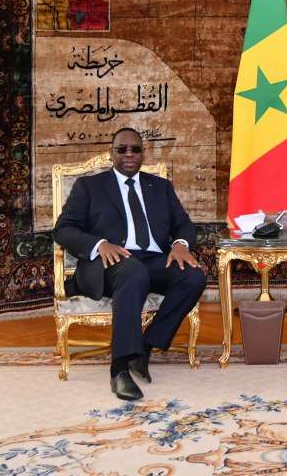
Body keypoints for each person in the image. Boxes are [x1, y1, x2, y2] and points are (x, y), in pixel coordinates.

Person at [54, 128, 206, 400]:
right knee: (133, 271)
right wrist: (100, 244)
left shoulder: (160, 187)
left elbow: (183, 224)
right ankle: (120, 369)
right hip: (110, 263)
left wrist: (180, 245)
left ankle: (145, 348)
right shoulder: (89, 186)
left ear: (143, 154)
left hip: (152, 260)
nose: (129, 154)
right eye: (122, 149)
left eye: (135, 149)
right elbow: (63, 229)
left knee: (193, 276)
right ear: (111, 153)